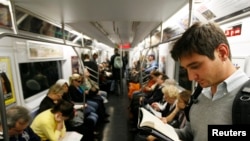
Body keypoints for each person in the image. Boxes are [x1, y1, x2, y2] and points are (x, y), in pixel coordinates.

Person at [170, 22, 249, 141]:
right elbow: (192, 133)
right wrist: (164, 131)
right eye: (186, 69)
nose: (191, 77)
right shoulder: (200, 94)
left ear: (222, 53)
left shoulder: (245, 103)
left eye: (195, 66)